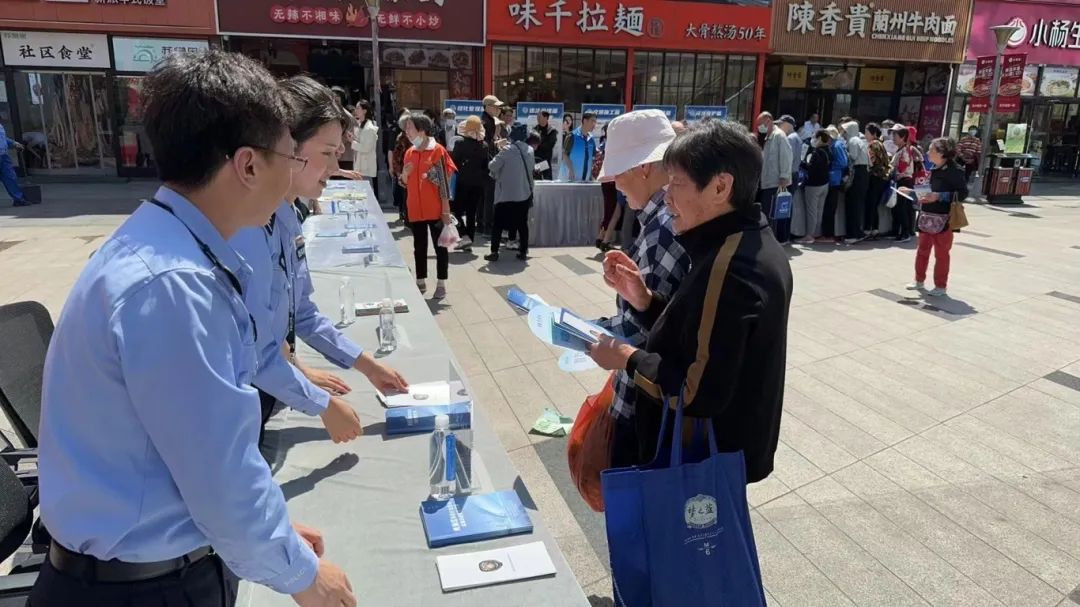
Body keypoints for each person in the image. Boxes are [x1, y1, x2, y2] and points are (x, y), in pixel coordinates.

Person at [31, 50, 356, 607]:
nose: (294, 174)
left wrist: (264, 536)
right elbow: (219, 476)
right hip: (140, 589)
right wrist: (305, 577)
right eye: (289, 155)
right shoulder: (175, 286)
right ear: (248, 166)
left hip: (148, 566)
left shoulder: (168, 248)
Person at [587, 119, 793, 483]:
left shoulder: (732, 267)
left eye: (677, 184)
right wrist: (646, 301)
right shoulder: (740, 243)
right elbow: (699, 335)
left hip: (701, 461)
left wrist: (626, 357)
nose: (667, 197)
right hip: (714, 455)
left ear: (720, 186)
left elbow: (695, 393)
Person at [231, 75, 409, 448]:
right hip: (238, 405)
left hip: (267, 390)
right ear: (285, 146)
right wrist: (322, 404)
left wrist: (367, 365)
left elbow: (302, 314)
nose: (334, 166)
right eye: (327, 153)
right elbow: (254, 347)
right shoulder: (243, 228)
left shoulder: (285, 216)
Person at [592, 109, 691, 467]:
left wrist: (580, 332)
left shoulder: (663, 227)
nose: (616, 185)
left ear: (644, 168)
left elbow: (646, 331)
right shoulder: (669, 216)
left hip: (643, 402)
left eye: (618, 174)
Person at [401, 112, 456, 299]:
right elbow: (404, 183)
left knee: (440, 247)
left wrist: (446, 210)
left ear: (422, 130)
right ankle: (420, 279)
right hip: (415, 208)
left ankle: (441, 283)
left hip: (435, 209)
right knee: (419, 246)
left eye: (410, 127)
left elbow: (444, 183)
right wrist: (404, 174)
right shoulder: (410, 152)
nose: (407, 131)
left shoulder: (437, 151)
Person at [904, 137, 968, 297]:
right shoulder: (933, 168)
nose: (928, 152)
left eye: (931, 150)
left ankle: (940, 286)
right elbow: (927, 190)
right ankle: (919, 280)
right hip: (926, 215)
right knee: (922, 250)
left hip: (943, 218)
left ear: (942, 152)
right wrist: (912, 192)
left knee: (941, 254)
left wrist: (940, 196)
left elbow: (962, 193)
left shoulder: (955, 170)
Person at [485, 123, 534, 261]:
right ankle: (523, 252)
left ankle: (494, 252)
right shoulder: (530, 150)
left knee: (498, 225)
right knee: (522, 224)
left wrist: (499, 150)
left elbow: (492, 166)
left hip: (505, 195)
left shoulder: (506, 150)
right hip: (524, 194)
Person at [450, 115, 487, 252]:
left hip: (462, 183)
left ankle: (464, 235)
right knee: (472, 213)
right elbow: (485, 166)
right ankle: (469, 240)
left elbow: (453, 163)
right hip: (478, 184)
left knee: (455, 211)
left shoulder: (460, 144)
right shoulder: (484, 146)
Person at [755, 112, 793, 244]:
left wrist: (784, 178)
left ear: (768, 120)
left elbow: (786, 158)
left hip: (775, 183)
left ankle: (772, 243)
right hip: (767, 183)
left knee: (772, 215)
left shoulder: (779, 136)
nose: (759, 127)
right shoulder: (768, 137)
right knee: (767, 214)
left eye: (760, 124)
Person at [797, 129, 833, 244]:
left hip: (813, 185)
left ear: (820, 138)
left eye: (815, 137)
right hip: (825, 184)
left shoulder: (817, 152)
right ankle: (816, 234)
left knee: (811, 211)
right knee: (819, 210)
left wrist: (803, 164)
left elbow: (811, 168)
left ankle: (809, 235)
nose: (813, 139)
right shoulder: (829, 150)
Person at [841, 120, 869, 243]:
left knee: (852, 204)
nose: (843, 133)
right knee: (858, 205)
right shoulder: (860, 140)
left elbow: (852, 156)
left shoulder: (852, 140)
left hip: (857, 173)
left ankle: (853, 235)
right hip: (863, 173)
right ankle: (858, 232)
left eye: (845, 131)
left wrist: (843, 151)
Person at [889, 123, 918, 242]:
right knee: (898, 207)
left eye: (895, 135)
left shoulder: (904, 151)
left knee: (902, 208)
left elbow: (901, 168)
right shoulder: (901, 150)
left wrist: (892, 170)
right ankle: (896, 231)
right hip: (902, 181)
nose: (893, 137)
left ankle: (905, 233)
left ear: (902, 137)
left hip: (904, 181)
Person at [821, 125, 849, 244]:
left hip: (834, 179)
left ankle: (828, 234)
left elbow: (843, 163)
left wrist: (831, 166)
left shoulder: (836, 146)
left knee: (830, 207)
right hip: (835, 179)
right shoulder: (837, 144)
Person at [864, 123, 891, 238]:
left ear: (874, 133)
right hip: (882, 178)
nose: (865, 135)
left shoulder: (873, 144)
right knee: (874, 204)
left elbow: (871, 162)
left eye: (867, 132)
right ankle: (875, 229)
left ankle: (867, 229)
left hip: (875, 177)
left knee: (870, 203)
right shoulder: (880, 143)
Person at [0, 119, 30, 207]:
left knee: (10, 177)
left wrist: (14, 143)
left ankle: (18, 199)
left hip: (4, 156)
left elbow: (3, 138)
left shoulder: (0, 126)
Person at [560, 112, 597, 182]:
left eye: (595, 122)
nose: (594, 124)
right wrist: (571, 169)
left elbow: (592, 158)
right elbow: (565, 154)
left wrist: (591, 175)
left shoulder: (591, 139)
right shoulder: (572, 136)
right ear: (585, 121)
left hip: (585, 180)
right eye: (592, 121)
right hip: (569, 180)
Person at [389, 109, 412, 223]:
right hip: (405, 171)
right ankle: (408, 219)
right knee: (406, 196)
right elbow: (396, 156)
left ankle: (408, 218)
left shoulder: (409, 136)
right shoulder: (402, 138)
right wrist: (398, 172)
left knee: (408, 196)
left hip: (409, 171)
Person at [350, 100, 379, 189]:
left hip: (365, 167)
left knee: (366, 191)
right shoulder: (359, 125)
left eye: (358, 108)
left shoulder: (369, 128)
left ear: (364, 111)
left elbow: (366, 148)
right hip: (359, 165)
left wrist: (352, 142)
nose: (355, 110)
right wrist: (352, 138)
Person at [533, 110, 557, 180]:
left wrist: (538, 144)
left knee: (547, 181)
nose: (538, 119)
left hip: (546, 162)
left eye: (539, 117)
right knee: (536, 181)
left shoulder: (552, 130)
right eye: (537, 117)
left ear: (546, 118)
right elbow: (532, 145)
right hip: (536, 160)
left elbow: (549, 145)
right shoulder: (535, 129)